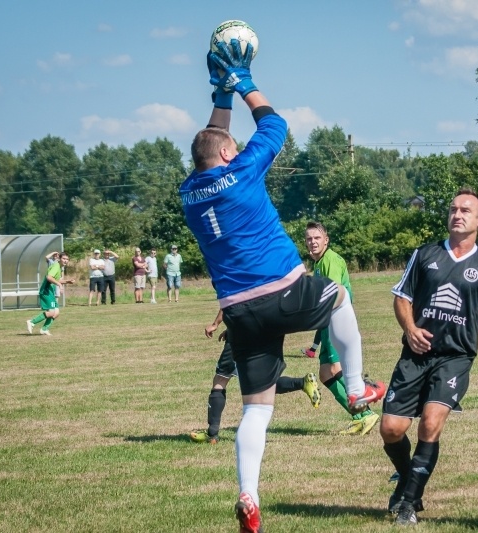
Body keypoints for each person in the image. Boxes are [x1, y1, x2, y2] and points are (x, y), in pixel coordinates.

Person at [178, 42, 385, 533]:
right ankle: (356, 390)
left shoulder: (189, 194)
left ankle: (248, 495)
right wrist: (244, 82)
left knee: (256, 409)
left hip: (239, 313)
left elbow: (213, 142)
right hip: (282, 292)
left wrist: (219, 94)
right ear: (229, 154)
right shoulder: (242, 170)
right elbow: (276, 126)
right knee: (337, 295)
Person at [381, 189, 478, 526]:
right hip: (415, 354)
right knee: (391, 429)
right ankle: (410, 480)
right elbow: (401, 297)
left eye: (466, 210)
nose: (457, 214)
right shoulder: (424, 255)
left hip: (455, 357)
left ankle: (408, 504)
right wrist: (409, 328)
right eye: (453, 209)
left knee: (431, 423)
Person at [190, 310, 322, 444]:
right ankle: (303, 383)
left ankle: (212, 434)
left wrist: (215, 324)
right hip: (262, 333)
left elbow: (230, 303)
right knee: (262, 384)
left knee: (221, 379)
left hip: (240, 336)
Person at [302, 221, 379, 436]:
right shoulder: (319, 264)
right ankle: (359, 415)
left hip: (337, 320)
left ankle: (365, 413)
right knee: (326, 374)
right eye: (309, 238)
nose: (313, 242)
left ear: (326, 240)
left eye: (317, 238)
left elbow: (332, 294)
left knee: (335, 369)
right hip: (327, 323)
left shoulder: (331, 260)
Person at [26, 252, 74, 336]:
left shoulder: (59, 268)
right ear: (59, 258)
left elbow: (55, 280)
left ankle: (44, 329)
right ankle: (31, 322)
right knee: (51, 312)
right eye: (64, 259)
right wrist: (59, 285)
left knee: (56, 312)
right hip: (46, 290)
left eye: (67, 259)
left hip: (50, 291)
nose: (65, 261)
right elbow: (49, 277)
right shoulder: (56, 266)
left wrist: (67, 281)